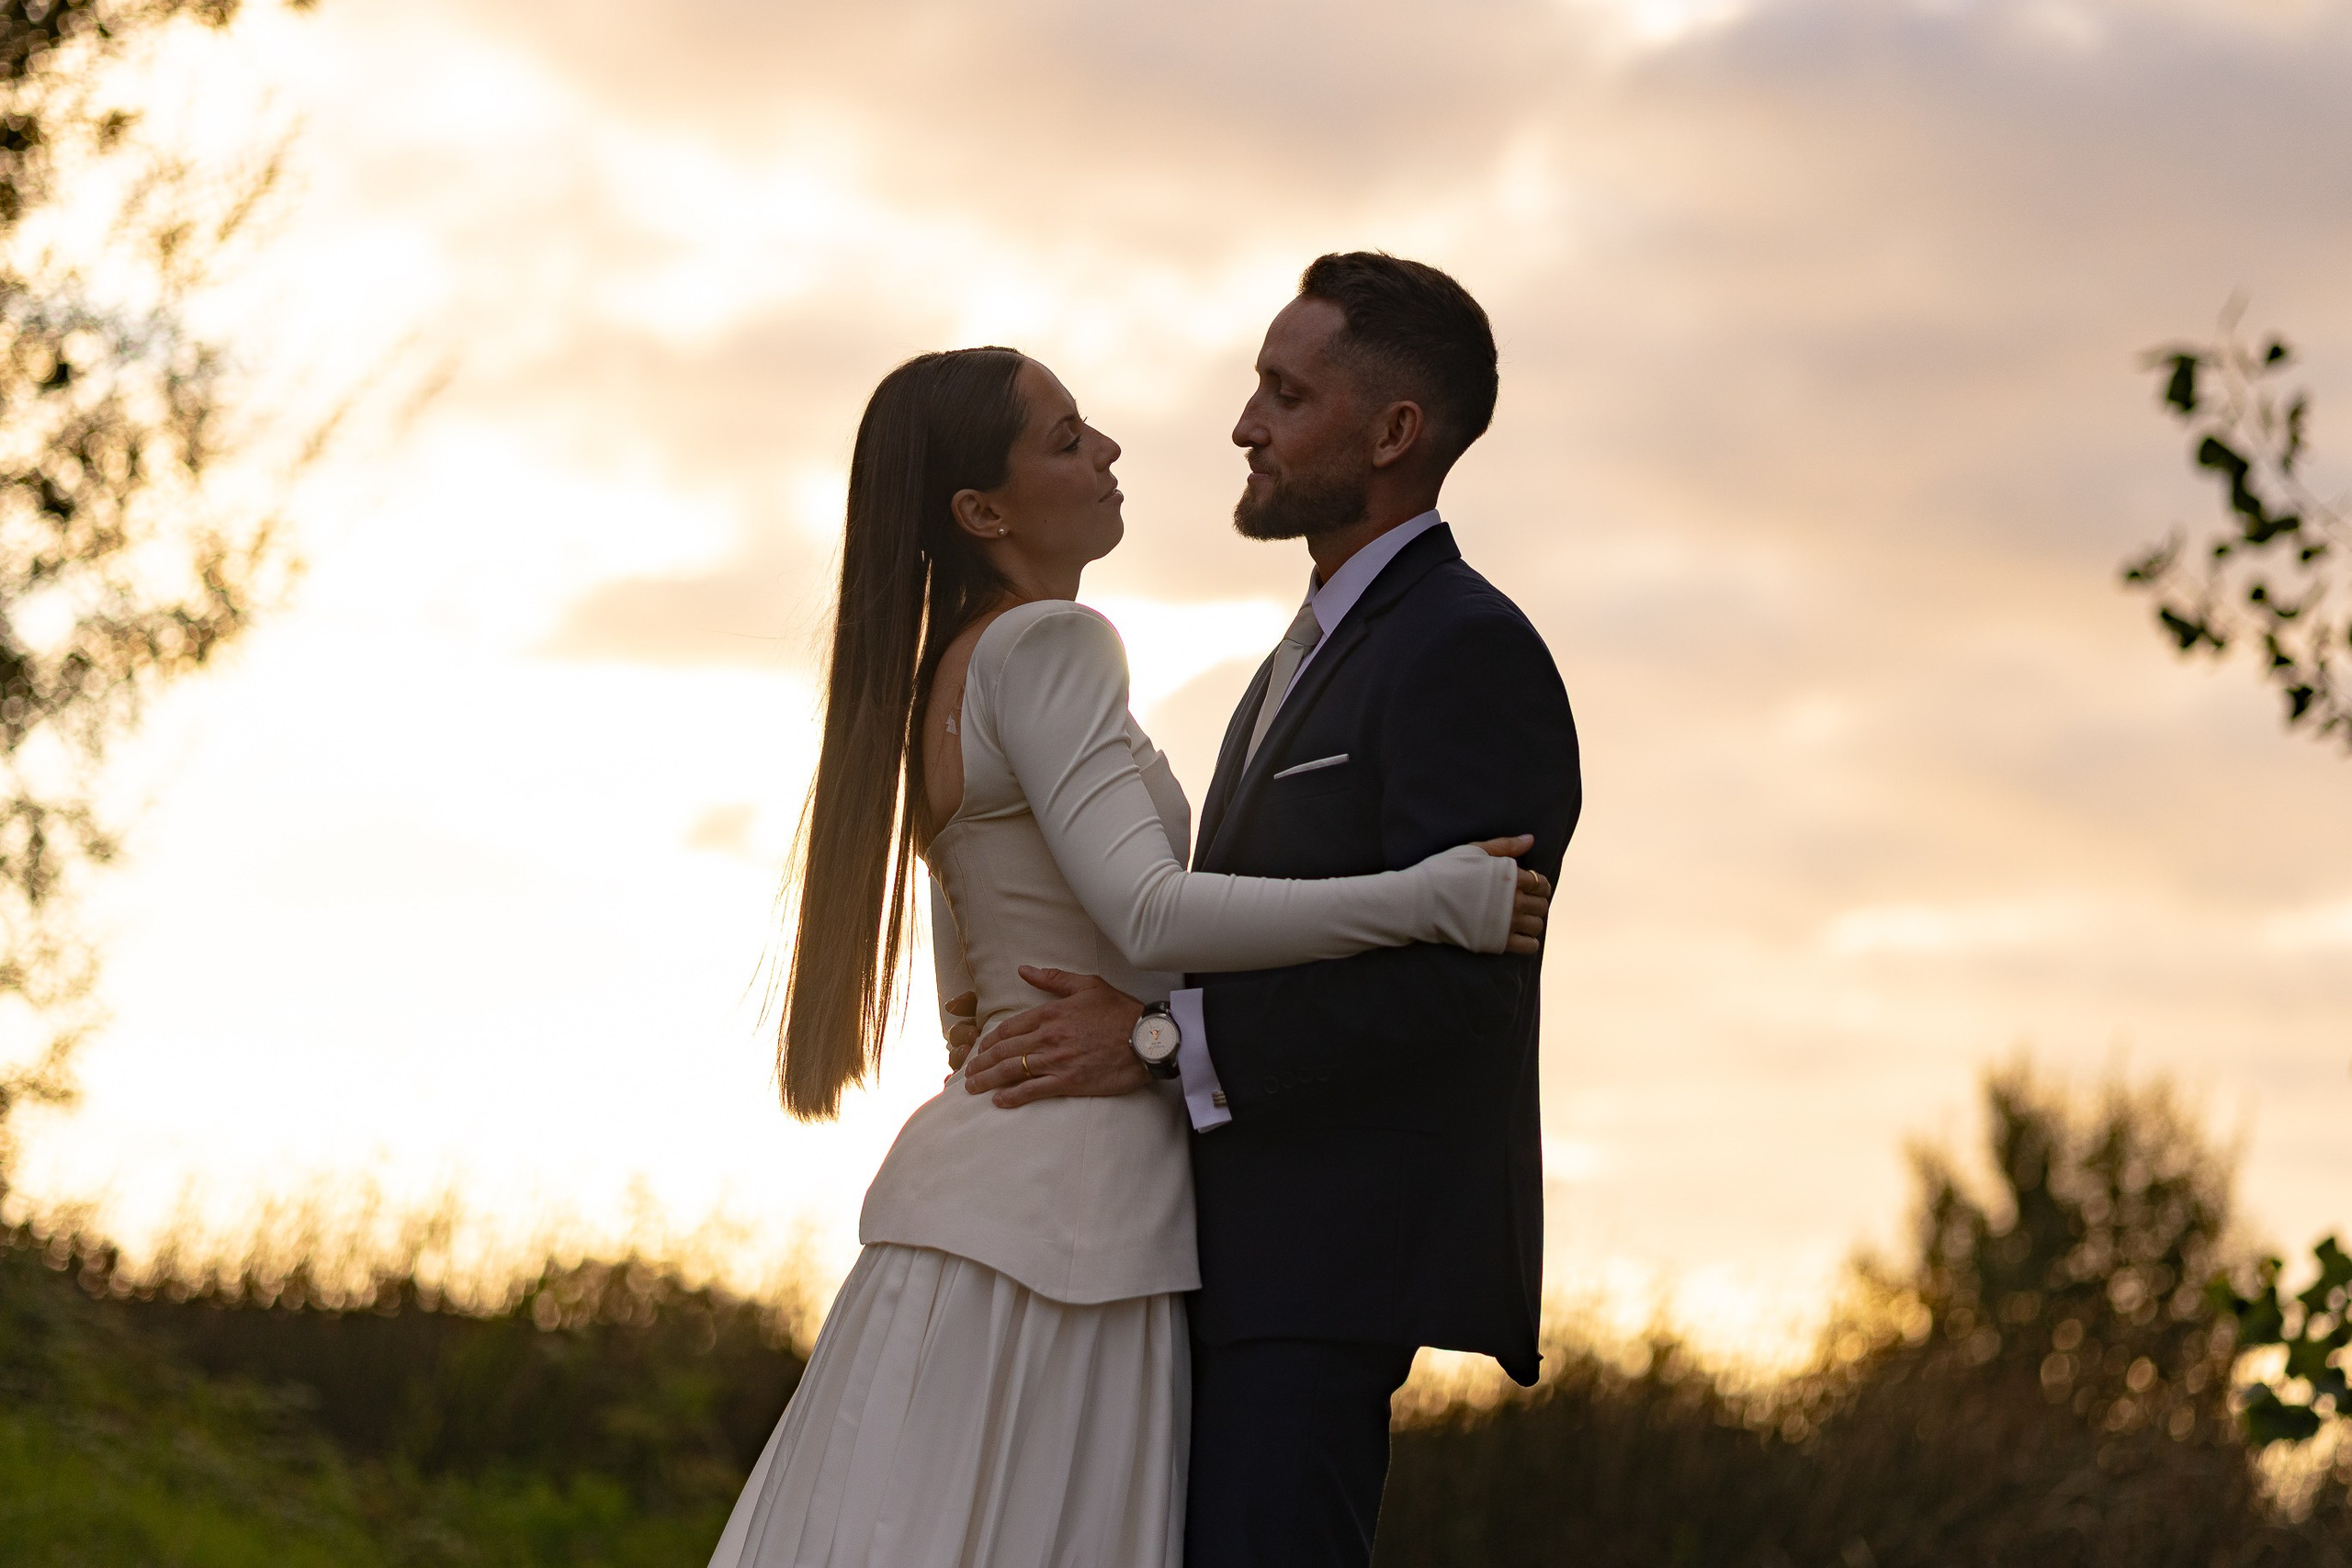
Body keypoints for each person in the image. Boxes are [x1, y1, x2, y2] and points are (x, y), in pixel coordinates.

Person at [707, 338, 1554, 1568]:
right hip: (1078, 1224)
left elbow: (967, 1004)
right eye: (1065, 439)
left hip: (966, 1198)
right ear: (981, 510)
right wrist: (1425, 900)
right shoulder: (1052, 646)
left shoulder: (936, 684)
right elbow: (1152, 916)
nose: (1107, 451)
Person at [958, 253, 1582, 1568]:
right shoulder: (1292, 662)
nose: (1244, 425)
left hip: (1320, 1271)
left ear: (1394, 433)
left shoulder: (1468, 650)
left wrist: (1157, 1043)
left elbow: (1461, 977)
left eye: (1284, 395)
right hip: (1194, 1254)